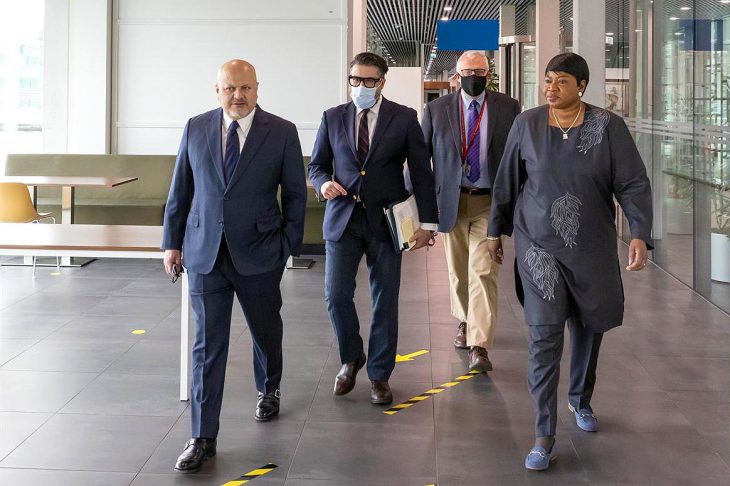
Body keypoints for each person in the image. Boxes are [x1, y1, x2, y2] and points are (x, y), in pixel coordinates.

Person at [486, 53, 653, 471]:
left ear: (581, 85)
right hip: (538, 245)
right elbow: (508, 180)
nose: (551, 87)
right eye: (547, 80)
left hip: (591, 246)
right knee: (544, 335)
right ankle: (544, 433)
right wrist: (494, 232)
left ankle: (580, 398)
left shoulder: (607, 126)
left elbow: (632, 182)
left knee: (588, 327)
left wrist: (639, 233)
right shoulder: (527, 124)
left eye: (561, 81)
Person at [162, 59, 307, 473]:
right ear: (217, 90)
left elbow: (295, 194)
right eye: (230, 88)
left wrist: (287, 245)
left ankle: (269, 386)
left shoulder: (281, 132)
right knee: (207, 346)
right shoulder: (195, 127)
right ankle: (202, 437)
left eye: (245, 88)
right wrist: (171, 243)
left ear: (257, 89)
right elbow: (180, 190)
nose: (238, 96)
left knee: (265, 328)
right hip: (205, 250)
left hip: (260, 251)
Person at [308, 52, 438, 405]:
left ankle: (380, 375)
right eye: (355, 80)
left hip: (387, 222)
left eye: (369, 81)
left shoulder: (404, 118)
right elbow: (317, 166)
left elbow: (423, 176)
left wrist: (428, 224)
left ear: (382, 82)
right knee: (336, 296)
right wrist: (322, 184)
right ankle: (352, 357)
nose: (361, 87)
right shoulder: (332, 118)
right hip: (343, 219)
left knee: (385, 300)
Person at [422, 50, 520, 372]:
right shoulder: (436, 110)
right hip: (450, 201)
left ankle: (479, 345)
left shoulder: (508, 108)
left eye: (480, 71)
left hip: (489, 201)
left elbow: (516, 158)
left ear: (488, 74)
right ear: (456, 76)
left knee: (483, 270)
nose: (473, 77)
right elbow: (422, 162)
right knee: (457, 270)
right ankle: (464, 320)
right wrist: (421, 212)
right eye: (467, 71)